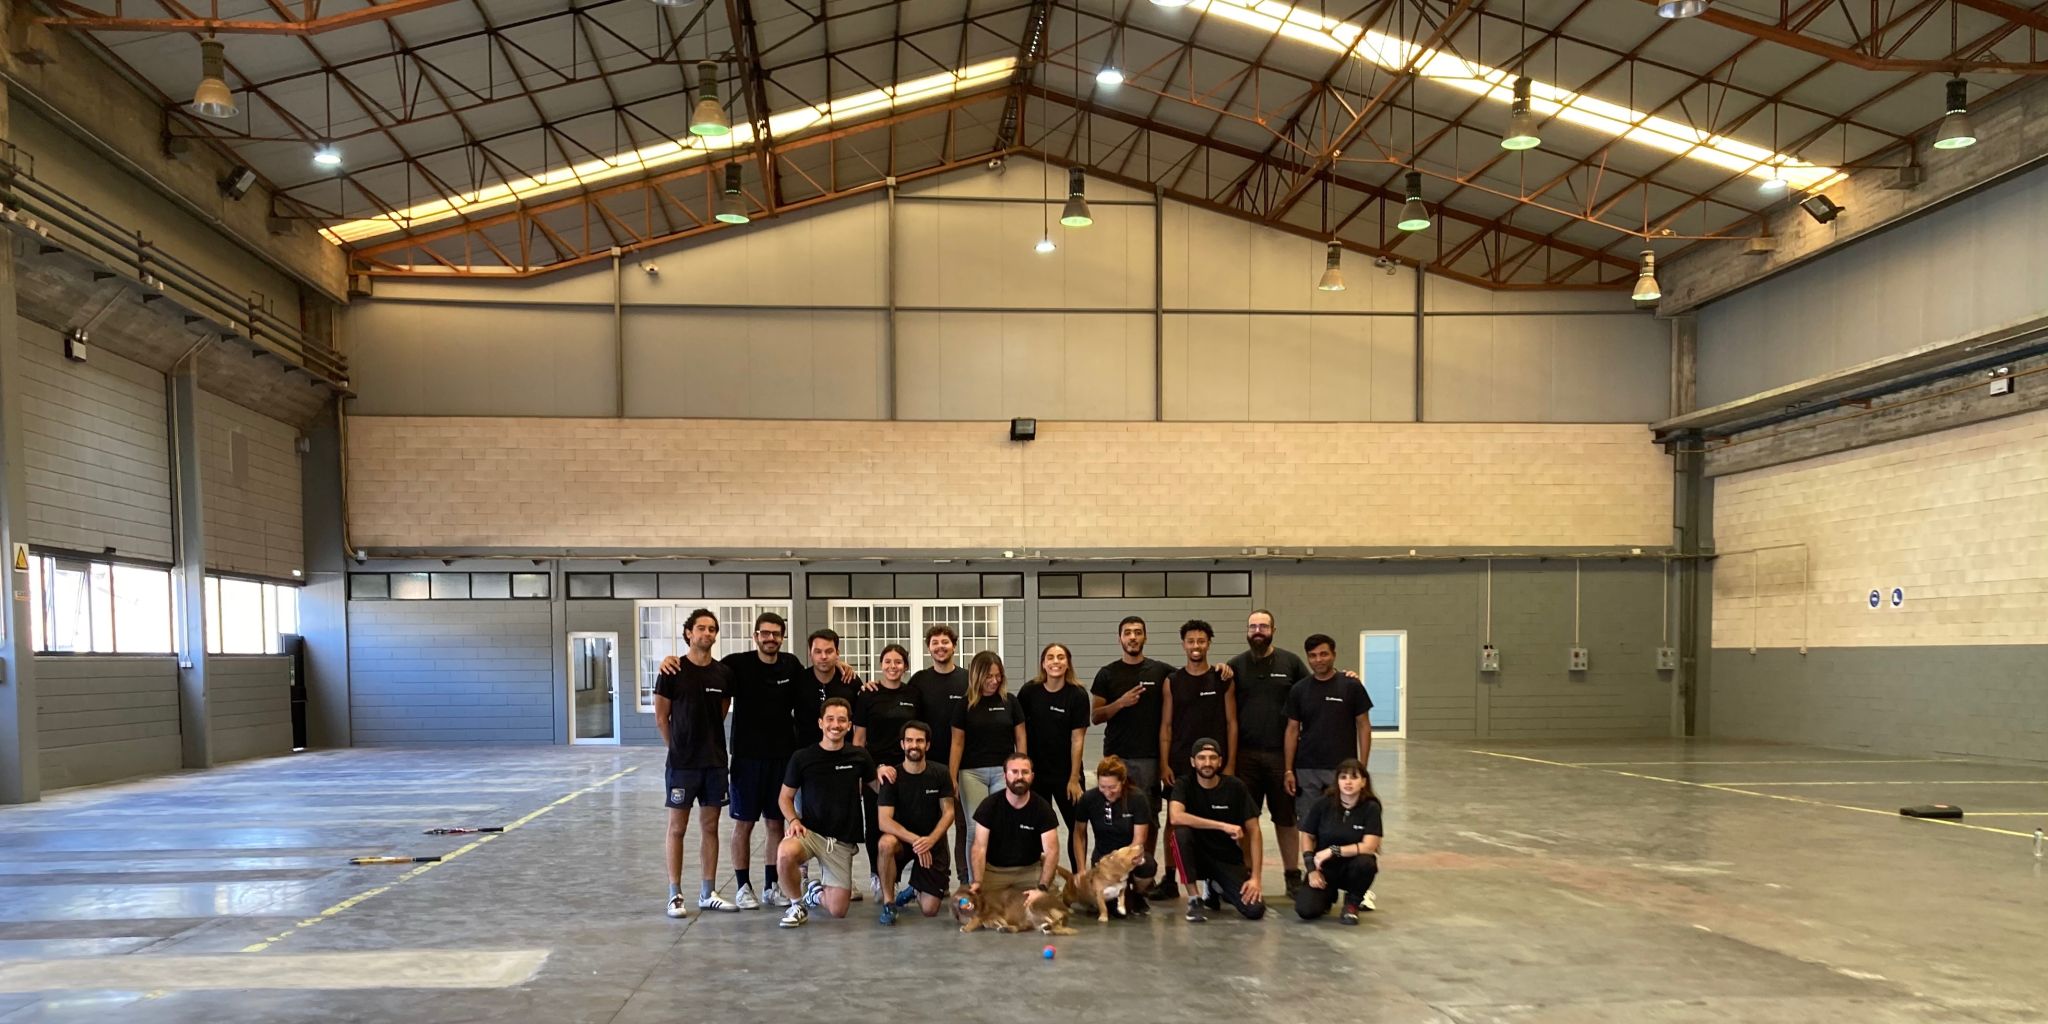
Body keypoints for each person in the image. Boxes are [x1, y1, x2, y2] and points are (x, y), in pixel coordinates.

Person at [658, 613, 851, 910]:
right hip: (746, 758)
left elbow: (820, 671)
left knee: (775, 824)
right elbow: (705, 681)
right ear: (755, 636)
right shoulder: (735, 665)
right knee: (743, 824)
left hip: (781, 758)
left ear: (782, 637)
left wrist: (841, 665)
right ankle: (742, 886)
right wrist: (669, 659)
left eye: (776, 634)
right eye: (765, 633)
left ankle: (771, 886)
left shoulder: (791, 665)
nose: (770, 638)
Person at [653, 608, 741, 918]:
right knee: (677, 828)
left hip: (715, 763)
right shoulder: (672, 670)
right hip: (682, 765)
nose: (707, 633)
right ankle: (675, 893)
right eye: (701, 628)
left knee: (710, 828)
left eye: (712, 629)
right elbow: (662, 718)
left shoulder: (723, 674)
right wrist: (677, 748)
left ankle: (708, 892)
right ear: (689, 633)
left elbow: (721, 711)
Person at [1089, 616, 1176, 897]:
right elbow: (1096, 716)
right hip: (1117, 759)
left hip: (1149, 759)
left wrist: (1222, 669)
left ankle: (1143, 875)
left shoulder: (1161, 671)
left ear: (1145, 637)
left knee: (1148, 819)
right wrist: (1121, 703)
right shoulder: (1107, 674)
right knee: (1113, 816)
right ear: (1120, 639)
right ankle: (1111, 872)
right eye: (1128, 633)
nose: (1133, 637)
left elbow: (1190, 676)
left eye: (1138, 632)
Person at [1226, 610, 1310, 898]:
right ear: (1247, 631)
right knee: (1246, 820)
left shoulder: (1292, 663)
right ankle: (1247, 874)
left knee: (1286, 818)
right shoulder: (1235, 666)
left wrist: (1346, 675)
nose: (1257, 631)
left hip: (1280, 756)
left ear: (1274, 629)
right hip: (1245, 757)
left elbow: (1313, 690)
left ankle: (1292, 875)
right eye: (1252, 626)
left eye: (1263, 626)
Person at [775, 698, 877, 928]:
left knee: (838, 910)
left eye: (842, 720)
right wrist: (793, 820)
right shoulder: (802, 757)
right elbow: (785, 797)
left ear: (849, 725)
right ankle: (796, 904)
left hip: (840, 840)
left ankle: (814, 893)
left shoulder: (859, 756)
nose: (836, 725)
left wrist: (886, 771)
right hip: (810, 833)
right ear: (821, 723)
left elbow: (878, 787)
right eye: (830, 719)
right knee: (784, 852)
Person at [1284, 634, 1373, 860]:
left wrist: (1362, 767)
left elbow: (1363, 726)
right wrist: (1288, 770)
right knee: (1309, 826)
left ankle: (1344, 874)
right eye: (1312, 656)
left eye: (1324, 654)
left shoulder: (1351, 686)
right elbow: (1292, 730)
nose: (1318, 660)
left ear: (1333, 654)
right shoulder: (1299, 690)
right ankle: (1313, 873)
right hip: (1307, 770)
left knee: (1342, 825)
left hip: (1341, 771)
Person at [1167, 738, 1266, 922]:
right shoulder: (1184, 784)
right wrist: (1223, 825)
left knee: (1254, 910)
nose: (1207, 763)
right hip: (1197, 856)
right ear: (1192, 761)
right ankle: (1195, 899)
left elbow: (1254, 831)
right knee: (1180, 834)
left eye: (1213, 758)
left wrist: (1256, 878)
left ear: (1220, 761)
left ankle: (1215, 886)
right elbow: (1176, 816)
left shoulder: (1235, 787)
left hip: (1226, 858)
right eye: (1202, 758)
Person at [854, 642, 924, 898]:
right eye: (888, 662)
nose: (892, 666)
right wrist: (866, 773)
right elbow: (859, 739)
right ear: (881, 665)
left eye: (898, 662)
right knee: (875, 824)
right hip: (876, 770)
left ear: (905, 666)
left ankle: (913, 878)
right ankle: (877, 874)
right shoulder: (868, 694)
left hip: (907, 769)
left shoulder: (914, 694)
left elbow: (921, 732)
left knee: (907, 821)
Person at [949, 650, 1025, 883]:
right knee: (975, 829)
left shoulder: (1010, 702)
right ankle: (976, 884)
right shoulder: (964, 705)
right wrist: (952, 777)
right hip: (972, 774)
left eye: (998, 676)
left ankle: (1000, 880)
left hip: (1004, 773)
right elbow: (957, 743)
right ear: (977, 676)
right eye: (989, 676)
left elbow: (1020, 739)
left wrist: (1022, 770)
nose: (994, 681)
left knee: (1001, 826)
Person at [874, 720, 955, 925]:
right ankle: (889, 903)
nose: (914, 745)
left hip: (931, 842)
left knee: (929, 910)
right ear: (902, 744)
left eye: (919, 741)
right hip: (903, 841)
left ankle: (915, 888)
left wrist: (930, 840)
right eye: (909, 740)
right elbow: (884, 822)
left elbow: (948, 813)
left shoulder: (941, 773)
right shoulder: (892, 777)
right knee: (885, 843)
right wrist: (917, 841)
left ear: (927, 745)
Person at [1017, 642, 1089, 868]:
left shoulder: (1077, 695)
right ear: (1043, 663)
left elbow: (1077, 738)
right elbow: (1019, 731)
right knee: (1035, 828)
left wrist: (1074, 778)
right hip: (1036, 773)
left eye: (1060, 657)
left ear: (1068, 663)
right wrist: (1023, 770)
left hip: (1066, 774)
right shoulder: (1029, 691)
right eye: (1050, 657)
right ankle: (1037, 879)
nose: (1055, 661)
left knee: (1078, 826)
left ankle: (1080, 879)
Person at [906, 624, 970, 876]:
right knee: (932, 823)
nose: (940, 647)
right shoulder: (920, 680)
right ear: (928, 648)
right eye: (935, 643)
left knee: (964, 824)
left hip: (964, 763)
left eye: (945, 642)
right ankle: (935, 877)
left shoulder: (966, 679)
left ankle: (966, 877)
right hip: (928, 765)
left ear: (954, 646)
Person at [1294, 758, 1382, 925]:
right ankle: (1328, 894)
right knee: (1306, 910)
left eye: (1354, 777)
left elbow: (1369, 846)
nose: (1348, 782)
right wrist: (1311, 869)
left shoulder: (1371, 808)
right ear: (1337, 781)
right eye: (1343, 777)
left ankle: (1352, 902)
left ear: (1363, 782)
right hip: (1325, 868)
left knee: (1366, 863)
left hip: (1353, 866)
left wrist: (1332, 850)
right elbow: (1307, 835)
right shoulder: (1323, 804)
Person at [1071, 755, 1157, 918]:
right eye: (1103, 787)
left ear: (1122, 781)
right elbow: (1079, 834)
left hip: (1128, 857)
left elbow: (1140, 838)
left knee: (1148, 865)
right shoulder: (1089, 799)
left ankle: (1137, 894)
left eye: (1112, 787)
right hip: (1103, 861)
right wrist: (1081, 868)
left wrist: (1122, 862)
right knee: (1112, 911)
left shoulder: (1137, 798)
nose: (1107, 792)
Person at [970, 752, 1061, 898]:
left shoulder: (1043, 809)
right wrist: (978, 882)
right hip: (995, 871)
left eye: (1025, 772)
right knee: (972, 910)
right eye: (1014, 772)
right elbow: (979, 848)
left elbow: (1052, 851)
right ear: (1005, 775)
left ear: (1032, 776)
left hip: (1029, 871)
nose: (1019, 777)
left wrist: (1042, 888)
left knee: (1048, 909)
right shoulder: (989, 806)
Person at [1159, 620, 1236, 792]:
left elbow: (1232, 724)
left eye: (1201, 641)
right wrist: (1164, 765)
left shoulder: (1222, 679)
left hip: (1215, 761)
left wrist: (1230, 764)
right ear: (1183, 645)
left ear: (1208, 644)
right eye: (1191, 641)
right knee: (1176, 816)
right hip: (1181, 760)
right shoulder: (1172, 681)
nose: (1196, 646)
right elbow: (1166, 726)